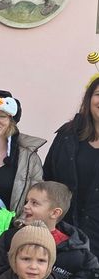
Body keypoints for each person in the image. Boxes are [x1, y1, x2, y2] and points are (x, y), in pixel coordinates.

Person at [44, 74, 99, 256]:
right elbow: (48, 180)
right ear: (89, 98)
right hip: (64, 234)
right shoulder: (68, 135)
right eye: (98, 94)